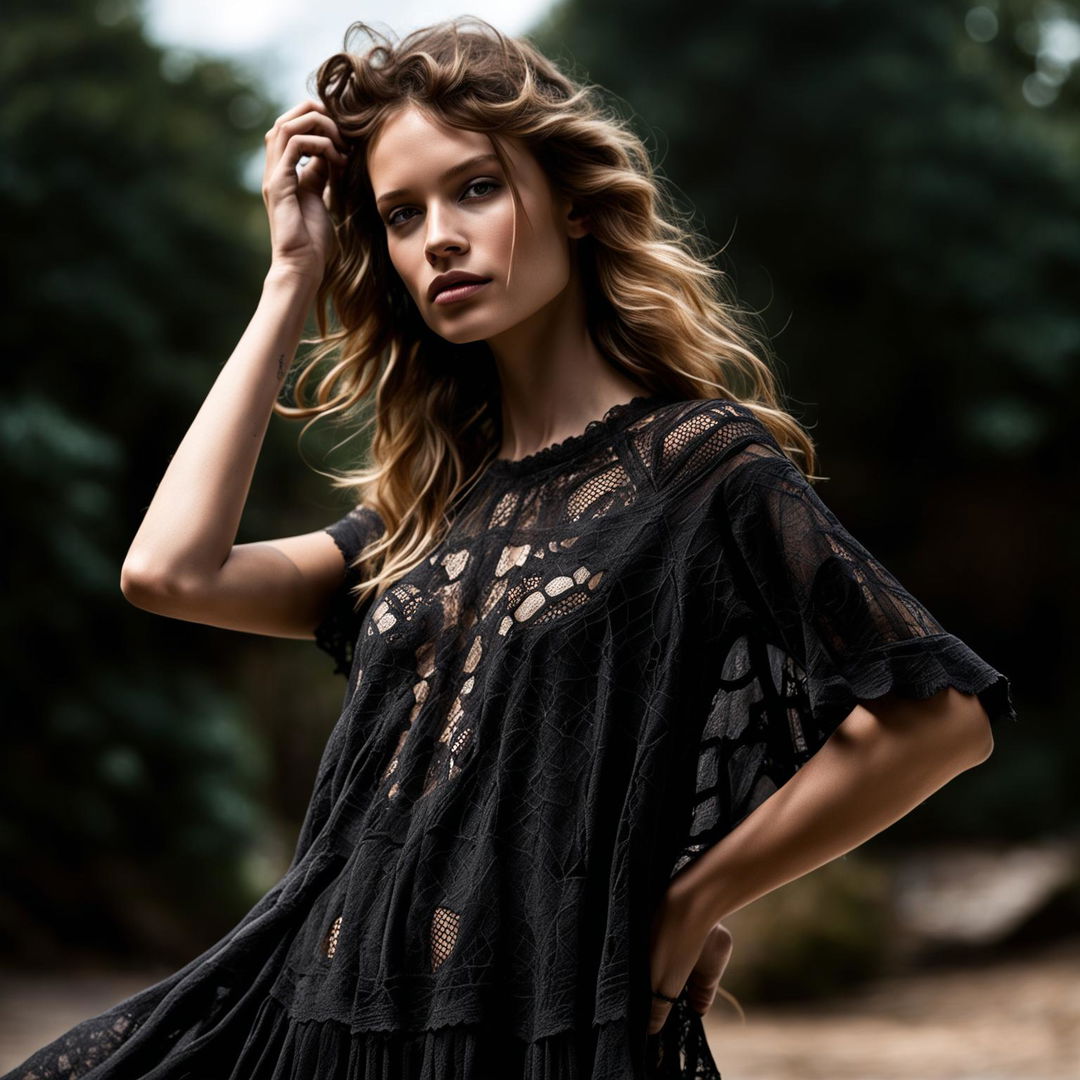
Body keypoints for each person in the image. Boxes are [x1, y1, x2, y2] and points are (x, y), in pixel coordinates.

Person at [3, 15, 1017, 1080]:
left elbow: (934, 720)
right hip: (312, 1015)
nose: (437, 235)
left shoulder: (698, 467)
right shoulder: (423, 515)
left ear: (574, 203)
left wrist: (695, 898)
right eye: (401, 215)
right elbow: (169, 573)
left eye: (475, 188)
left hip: (539, 1029)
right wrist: (290, 276)